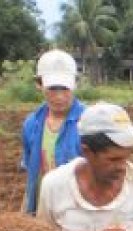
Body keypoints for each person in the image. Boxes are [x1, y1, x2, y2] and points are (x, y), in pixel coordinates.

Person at [37, 103, 133, 231]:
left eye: (126, 157)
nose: (122, 167)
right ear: (87, 152)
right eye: (113, 159)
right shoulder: (54, 186)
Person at [21, 49, 85, 215]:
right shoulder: (31, 124)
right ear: (39, 84)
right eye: (52, 89)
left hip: (77, 211)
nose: (59, 97)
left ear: (75, 84)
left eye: (64, 89)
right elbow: (32, 174)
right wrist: (25, 212)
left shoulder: (88, 122)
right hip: (42, 210)